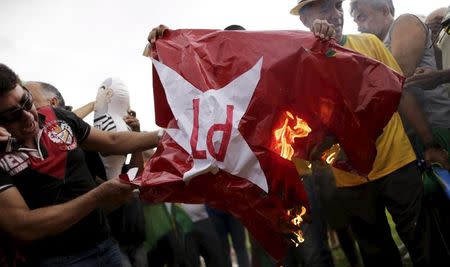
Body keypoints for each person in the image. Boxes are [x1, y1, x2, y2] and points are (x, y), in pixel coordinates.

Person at [290, 0, 450, 266]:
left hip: (397, 163)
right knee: (376, 254)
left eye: (337, 7)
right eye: (324, 10)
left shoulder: (369, 44)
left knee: (426, 246)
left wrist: (429, 143)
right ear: (305, 21)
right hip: (351, 178)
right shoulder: (301, 62)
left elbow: (401, 94)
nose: (335, 14)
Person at [0, 63, 161, 266]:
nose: (28, 116)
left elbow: (112, 141)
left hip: (106, 245)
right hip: (56, 260)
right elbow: (22, 225)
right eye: (13, 114)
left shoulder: (57, 117)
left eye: (26, 101)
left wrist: (163, 135)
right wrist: (97, 196)